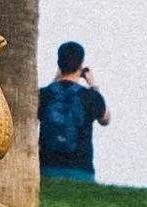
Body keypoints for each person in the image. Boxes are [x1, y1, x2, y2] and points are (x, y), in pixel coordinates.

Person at [38, 41, 111, 182]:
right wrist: (93, 86)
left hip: (47, 168)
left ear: (59, 63)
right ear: (80, 66)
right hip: (81, 170)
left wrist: (57, 78)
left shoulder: (44, 94)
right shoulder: (90, 96)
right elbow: (105, 119)